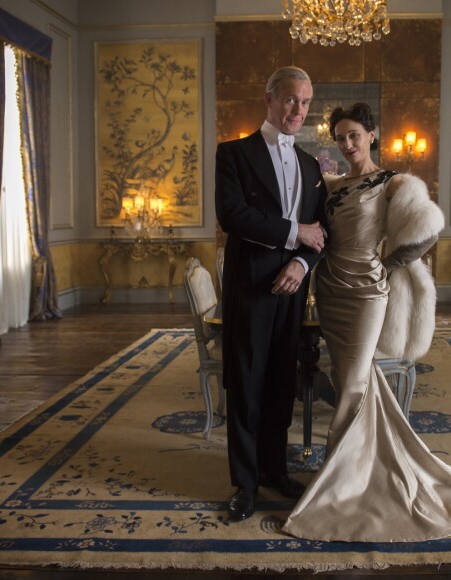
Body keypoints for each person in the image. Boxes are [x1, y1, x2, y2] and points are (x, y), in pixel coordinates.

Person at [283, 102, 451, 542]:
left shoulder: (391, 180)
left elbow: (429, 226)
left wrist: (389, 264)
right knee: (347, 379)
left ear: (371, 135)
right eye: (340, 137)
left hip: (366, 292)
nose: (347, 144)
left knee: (355, 383)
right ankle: (364, 465)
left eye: (354, 134)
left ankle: (338, 481)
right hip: (331, 290)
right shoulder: (334, 183)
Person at [215, 66, 328, 521]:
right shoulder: (234, 154)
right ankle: (244, 483)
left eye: (305, 102)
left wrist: (302, 263)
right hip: (250, 286)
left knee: (282, 382)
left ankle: (274, 469)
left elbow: (322, 234)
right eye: (290, 100)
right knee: (247, 383)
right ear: (269, 99)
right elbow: (233, 216)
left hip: (293, 288)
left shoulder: (310, 164)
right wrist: (293, 233)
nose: (298, 110)